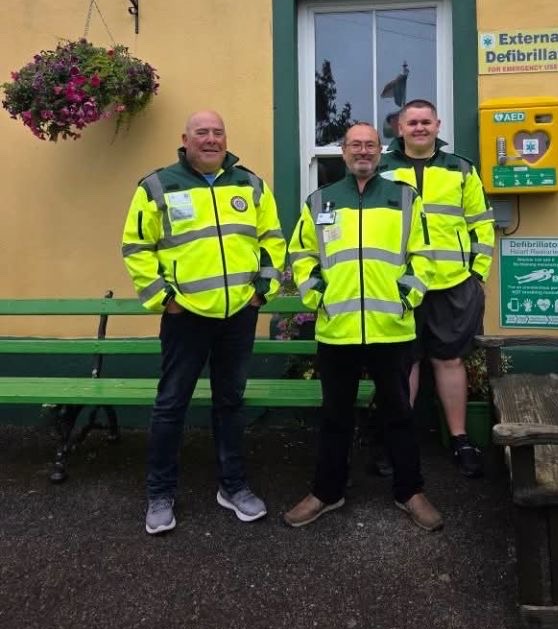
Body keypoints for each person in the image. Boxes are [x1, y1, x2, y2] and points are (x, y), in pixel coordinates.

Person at [121, 110, 286, 535]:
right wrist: (166, 300)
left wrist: (260, 292)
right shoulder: (158, 185)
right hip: (186, 317)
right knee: (171, 405)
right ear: (185, 139)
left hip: (238, 314)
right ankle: (160, 495)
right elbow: (136, 247)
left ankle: (233, 487)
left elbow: (273, 240)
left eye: (217, 132)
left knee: (230, 404)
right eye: (202, 133)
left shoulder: (250, 184)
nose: (211, 139)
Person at [283, 122, 443, 532]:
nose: (363, 152)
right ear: (342, 150)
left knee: (400, 415)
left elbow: (423, 255)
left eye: (370, 145)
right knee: (335, 416)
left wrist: (406, 297)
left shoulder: (404, 197)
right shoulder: (320, 200)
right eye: (355, 145)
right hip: (338, 329)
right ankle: (326, 491)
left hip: (390, 328)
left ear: (381, 150)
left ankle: (411, 492)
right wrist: (317, 295)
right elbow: (301, 255)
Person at [377, 99, 495, 478]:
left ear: (437, 125)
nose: (419, 128)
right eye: (412, 122)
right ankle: (399, 440)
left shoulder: (461, 169)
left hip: (451, 283)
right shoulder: (381, 169)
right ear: (399, 127)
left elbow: (481, 224)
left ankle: (460, 439)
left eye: (426, 122)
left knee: (449, 360)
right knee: (404, 361)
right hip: (399, 282)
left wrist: (477, 274)